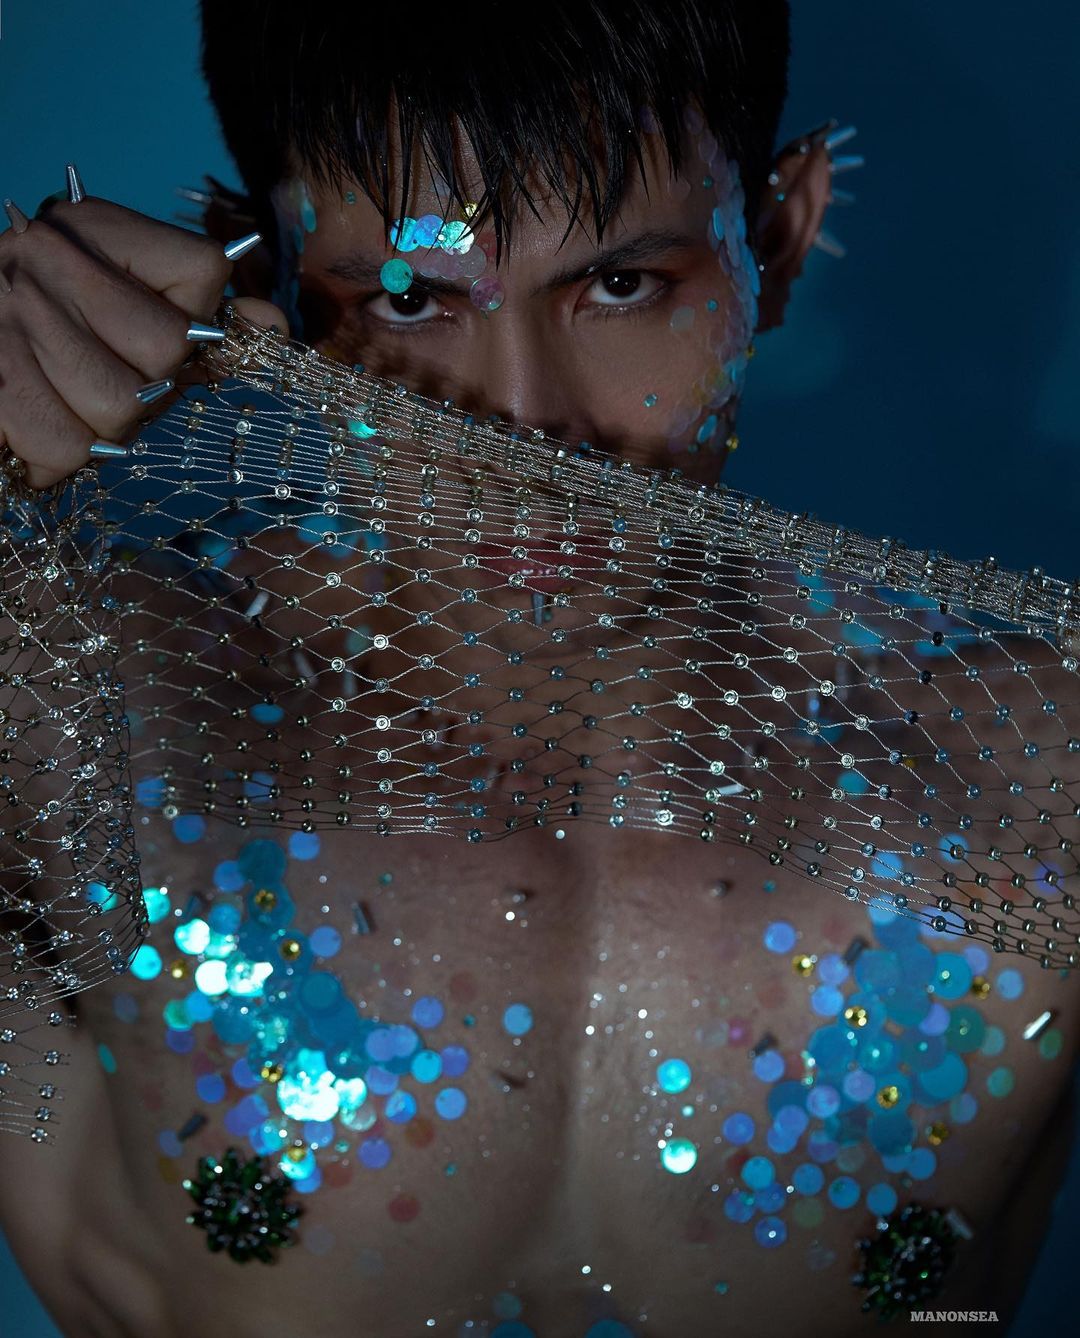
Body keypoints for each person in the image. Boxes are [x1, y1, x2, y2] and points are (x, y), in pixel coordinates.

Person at [1, 3, 1078, 1335]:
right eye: (411, 297)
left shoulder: (1036, 778)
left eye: (622, 286)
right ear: (258, 270)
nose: (526, 429)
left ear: (779, 238)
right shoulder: (90, 705)